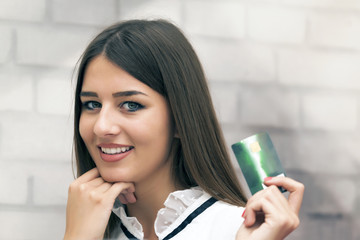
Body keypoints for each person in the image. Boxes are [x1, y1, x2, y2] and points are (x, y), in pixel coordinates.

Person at [64, 19, 304, 240]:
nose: (102, 126)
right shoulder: (89, 227)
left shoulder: (241, 230)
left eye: (131, 105)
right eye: (92, 104)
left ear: (180, 119)